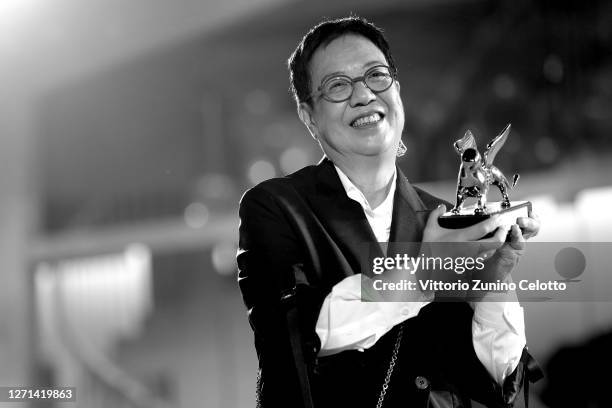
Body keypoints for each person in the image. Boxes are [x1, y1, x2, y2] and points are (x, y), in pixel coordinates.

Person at [237, 16, 541, 408]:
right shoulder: (277, 208)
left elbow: (498, 378)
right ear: (309, 118)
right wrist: (425, 270)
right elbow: (298, 336)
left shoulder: (447, 219)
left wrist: (492, 283)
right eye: (337, 85)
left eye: (376, 76)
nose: (363, 96)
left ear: (397, 92)